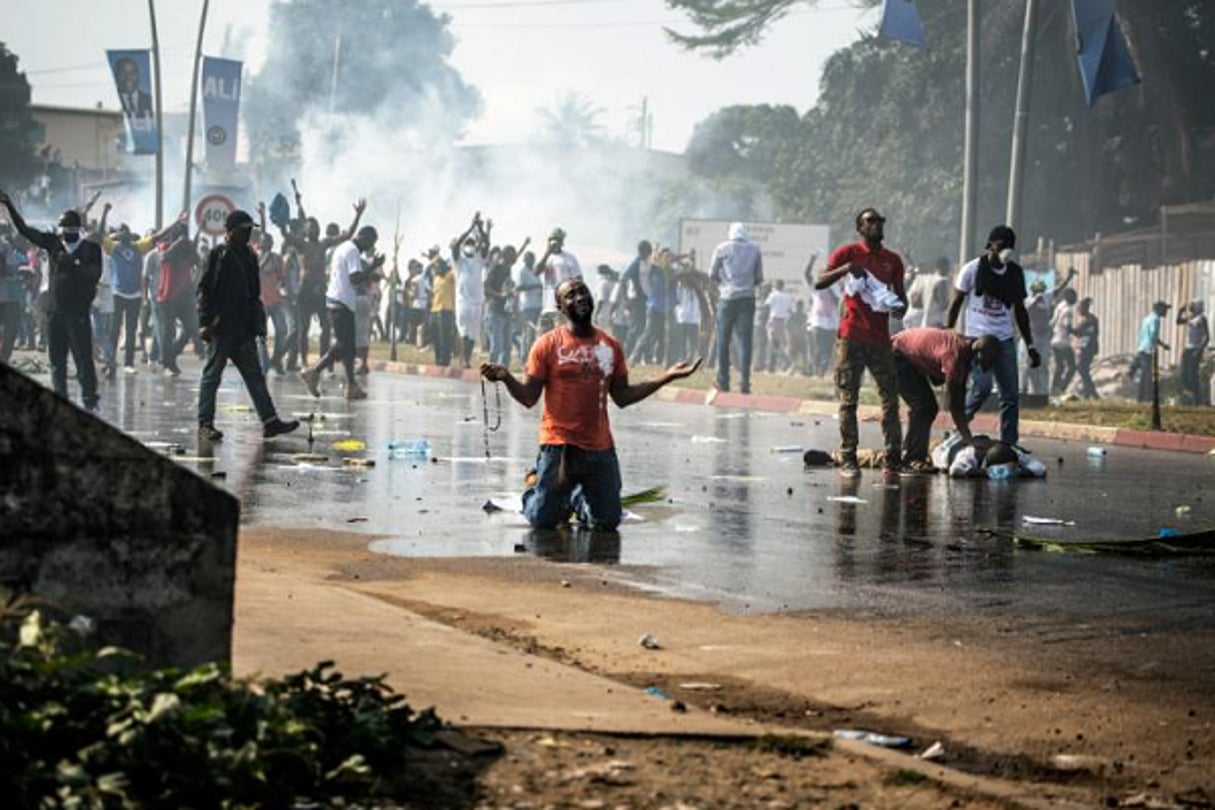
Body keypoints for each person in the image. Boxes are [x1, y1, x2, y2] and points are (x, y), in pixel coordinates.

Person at [480, 277, 701, 531]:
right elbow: (529, 397)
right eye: (570, 296)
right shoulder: (547, 345)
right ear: (561, 308)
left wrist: (668, 376)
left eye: (583, 292)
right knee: (543, 520)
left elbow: (623, 396)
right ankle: (536, 487)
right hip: (559, 446)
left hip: (599, 448)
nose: (580, 298)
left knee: (606, 522)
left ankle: (575, 498)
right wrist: (506, 377)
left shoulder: (610, 346)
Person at [816, 208, 906, 479]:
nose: (877, 225)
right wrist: (846, 269)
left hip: (879, 338)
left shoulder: (893, 260)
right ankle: (848, 459)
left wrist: (898, 307)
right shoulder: (848, 253)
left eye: (880, 221)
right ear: (860, 228)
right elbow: (820, 281)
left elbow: (902, 297)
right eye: (871, 222)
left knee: (890, 399)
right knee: (848, 400)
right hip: (851, 336)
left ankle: (893, 458)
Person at [196, 210, 300, 442]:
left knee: (255, 376)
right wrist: (204, 322)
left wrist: (257, 323)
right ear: (230, 230)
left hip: (243, 329)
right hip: (221, 327)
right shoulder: (217, 255)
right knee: (212, 376)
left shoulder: (250, 257)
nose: (247, 234)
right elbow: (204, 290)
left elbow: (253, 294)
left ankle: (270, 422)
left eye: (249, 230)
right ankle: (205, 424)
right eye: (243, 230)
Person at [1, 190, 103, 410]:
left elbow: (94, 275)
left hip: (78, 314)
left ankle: (90, 401)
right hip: (55, 313)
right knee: (57, 362)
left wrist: (72, 264)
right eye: (64, 230)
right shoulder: (53, 243)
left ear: (79, 230)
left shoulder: (90, 249)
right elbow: (26, 231)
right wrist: (9, 207)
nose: (66, 235)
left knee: (83, 360)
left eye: (70, 230)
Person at [946, 225, 1039, 447]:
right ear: (990, 245)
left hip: (1004, 339)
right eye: (1002, 244)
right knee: (982, 388)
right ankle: (957, 430)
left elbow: (1020, 311)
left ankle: (1009, 444)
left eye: (1010, 245)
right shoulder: (973, 269)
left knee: (1009, 395)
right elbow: (957, 301)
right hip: (978, 340)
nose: (1007, 249)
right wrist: (949, 332)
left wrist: (1031, 345)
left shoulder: (1015, 273)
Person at [892, 328, 1000, 471]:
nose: (987, 368)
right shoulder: (954, 357)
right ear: (979, 354)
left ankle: (912, 451)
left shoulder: (968, 346)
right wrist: (968, 438)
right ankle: (913, 459)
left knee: (924, 406)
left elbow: (954, 387)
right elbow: (955, 405)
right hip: (897, 355)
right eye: (986, 362)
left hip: (906, 350)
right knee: (924, 407)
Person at [278, 195, 365, 366]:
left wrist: (357, 216)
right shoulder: (301, 245)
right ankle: (303, 361)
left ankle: (324, 360)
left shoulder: (324, 244)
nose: (314, 230)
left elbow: (347, 235)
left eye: (316, 227)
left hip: (320, 290)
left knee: (326, 327)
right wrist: (281, 223)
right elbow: (286, 235)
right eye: (311, 228)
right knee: (304, 329)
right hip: (305, 290)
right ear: (307, 230)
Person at [300, 225, 381, 400]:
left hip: (338, 301)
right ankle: (314, 371)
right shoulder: (352, 250)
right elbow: (356, 278)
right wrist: (372, 267)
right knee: (344, 344)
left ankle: (351, 386)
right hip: (341, 302)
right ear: (363, 237)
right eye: (370, 242)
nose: (369, 247)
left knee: (349, 348)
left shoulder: (343, 247)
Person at [103, 214, 183, 374]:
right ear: (117, 235)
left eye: (125, 232)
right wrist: (104, 213)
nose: (123, 235)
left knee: (131, 331)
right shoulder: (113, 247)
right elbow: (99, 235)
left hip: (134, 295)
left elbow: (157, 236)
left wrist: (175, 222)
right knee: (113, 330)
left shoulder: (138, 246)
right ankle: (110, 363)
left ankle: (128, 364)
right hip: (117, 293)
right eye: (121, 233)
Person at [710, 222, 763, 394]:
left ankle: (723, 381)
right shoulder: (755, 250)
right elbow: (759, 278)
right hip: (747, 298)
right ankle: (745, 383)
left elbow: (712, 274)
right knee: (745, 342)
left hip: (727, 298)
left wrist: (724, 284)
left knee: (723, 340)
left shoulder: (722, 248)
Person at [450, 213, 489, 368]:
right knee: (464, 332)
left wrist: (480, 227)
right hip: (463, 300)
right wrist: (470, 228)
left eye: (472, 243)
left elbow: (487, 243)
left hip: (477, 301)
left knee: (472, 334)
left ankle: (466, 359)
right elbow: (455, 246)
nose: (470, 245)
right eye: (468, 243)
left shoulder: (479, 257)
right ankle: (463, 359)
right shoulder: (458, 259)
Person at [1132, 301, 1171, 403]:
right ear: (1159, 309)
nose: (1166, 311)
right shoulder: (1156, 319)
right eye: (1165, 309)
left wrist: (1163, 345)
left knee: (1145, 374)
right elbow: (1153, 335)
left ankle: (1141, 397)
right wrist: (1155, 347)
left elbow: (1144, 334)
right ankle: (1147, 397)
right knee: (1147, 374)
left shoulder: (1147, 318)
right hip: (1148, 349)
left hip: (1142, 347)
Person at [1177, 299, 1209, 406]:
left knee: (1193, 374)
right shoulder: (1191, 317)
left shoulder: (1202, 319)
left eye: (1193, 305)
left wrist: (1199, 350)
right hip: (1188, 348)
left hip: (1195, 349)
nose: (1191, 307)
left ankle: (1197, 399)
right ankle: (1190, 394)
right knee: (1184, 374)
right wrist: (1180, 311)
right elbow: (1178, 321)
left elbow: (1206, 337)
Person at [1049, 288, 1078, 396]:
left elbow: (1053, 322)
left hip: (1055, 339)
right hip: (1063, 341)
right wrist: (1077, 332)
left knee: (1060, 366)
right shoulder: (1068, 310)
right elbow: (1067, 326)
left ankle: (1054, 388)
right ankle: (1062, 388)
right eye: (1074, 297)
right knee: (1072, 366)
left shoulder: (1059, 306)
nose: (1075, 300)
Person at [1071, 297, 1100, 400]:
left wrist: (1069, 329)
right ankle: (1087, 393)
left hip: (1089, 348)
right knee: (1084, 370)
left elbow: (1086, 333)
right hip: (1085, 348)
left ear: (1085, 308)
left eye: (1080, 308)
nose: (1078, 311)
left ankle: (1093, 393)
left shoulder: (1091, 320)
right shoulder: (1087, 320)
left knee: (1082, 369)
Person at [763, 279, 793, 372]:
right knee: (777, 343)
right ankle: (774, 365)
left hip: (774, 319)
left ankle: (786, 360)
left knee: (773, 343)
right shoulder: (787, 297)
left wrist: (766, 321)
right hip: (783, 321)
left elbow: (767, 306)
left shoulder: (773, 295)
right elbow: (789, 310)